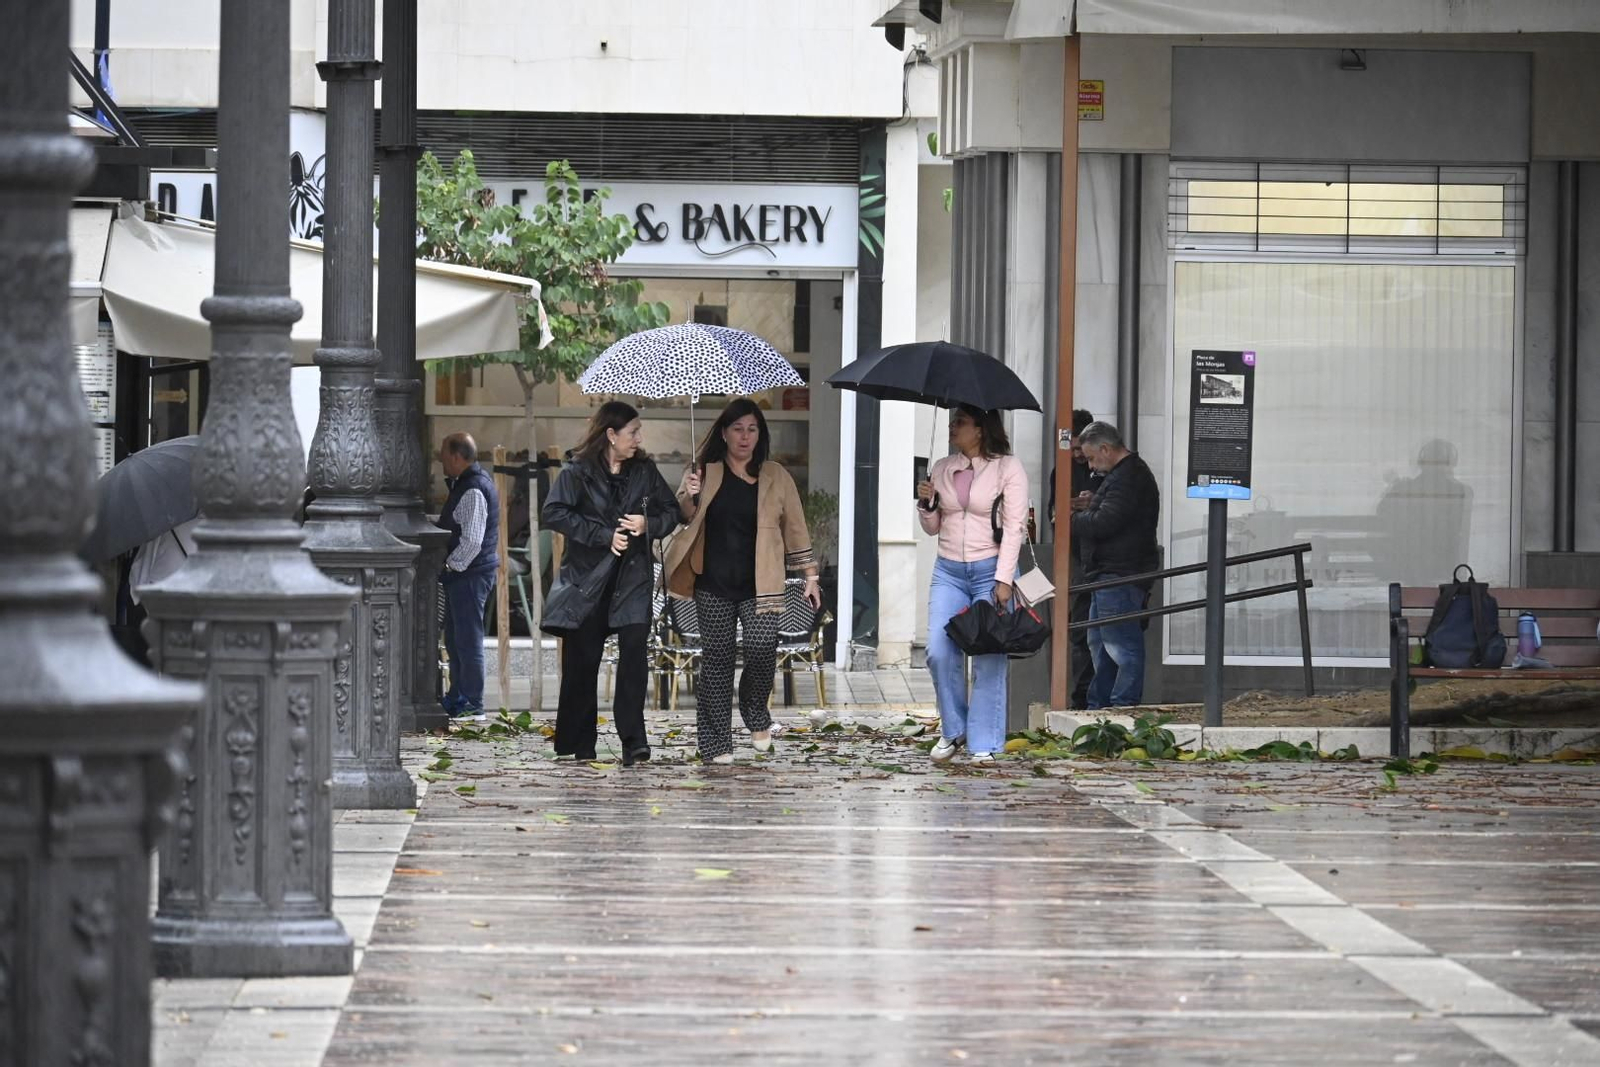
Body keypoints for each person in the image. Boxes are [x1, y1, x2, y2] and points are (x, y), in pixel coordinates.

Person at [666, 398, 821, 764]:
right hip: (713, 583)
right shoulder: (705, 471)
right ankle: (716, 743)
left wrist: (810, 575)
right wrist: (689, 493)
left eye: (752, 429)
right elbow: (683, 518)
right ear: (724, 432)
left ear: (760, 435)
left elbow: (796, 528)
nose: (745, 436)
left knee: (762, 649)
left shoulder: (776, 475)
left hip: (761, 583)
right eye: (737, 429)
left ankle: (756, 712)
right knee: (717, 661)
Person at [541, 402, 681, 766]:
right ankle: (581, 742)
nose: (639, 438)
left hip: (633, 578)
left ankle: (634, 741)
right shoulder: (577, 471)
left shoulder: (645, 470)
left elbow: (671, 511)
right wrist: (604, 535)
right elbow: (553, 512)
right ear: (611, 435)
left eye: (639, 431)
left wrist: (646, 523)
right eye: (633, 432)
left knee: (635, 656)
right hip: (589, 580)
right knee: (583, 663)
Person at [916, 404, 1028, 766]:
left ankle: (984, 742)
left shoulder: (1007, 468)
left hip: (990, 569)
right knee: (938, 650)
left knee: (989, 655)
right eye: (952, 422)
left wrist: (1004, 578)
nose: (952, 427)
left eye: (960, 422)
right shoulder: (943, 467)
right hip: (948, 570)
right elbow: (932, 528)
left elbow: (1015, 527)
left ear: (980, 429)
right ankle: (955, 729)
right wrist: (927, 503)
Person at [1071, 420, 1160, 709]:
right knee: (1100, 643)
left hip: (1120, 572)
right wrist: (1094, 503)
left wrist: (1071, 520)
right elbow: (1113, 513)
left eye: (1093, 458)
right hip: (1111, 572)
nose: (1092, 466)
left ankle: (1122, 704)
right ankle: (1102, 703)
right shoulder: (1126, 475)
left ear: (1106, 449)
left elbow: (1106, 522)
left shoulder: (1129, 477)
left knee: (1119, 645)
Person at [436, 432, 500, 720]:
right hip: (466, 573)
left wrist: (450, 566)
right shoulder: (466, 484)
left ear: (456, 456)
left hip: (470, 574)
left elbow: (472, 540)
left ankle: (472, 702)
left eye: (443, 455)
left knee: (467, 639)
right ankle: (458, 696)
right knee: (455, 638)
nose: (440, 461)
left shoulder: (473, 488)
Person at [1048, 409, 1101, 709]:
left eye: (1083, 449)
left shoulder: (1105, 469)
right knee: (1080, 630)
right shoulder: (1062, 470)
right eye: (1075, 449)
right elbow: (1052, 514)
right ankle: (1080, 698)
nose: (1079, 455)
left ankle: (1094, 696)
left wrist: (1094, 505)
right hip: (1077, 558)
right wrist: (1068, 505)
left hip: (1102, 558)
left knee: (1100, 631)